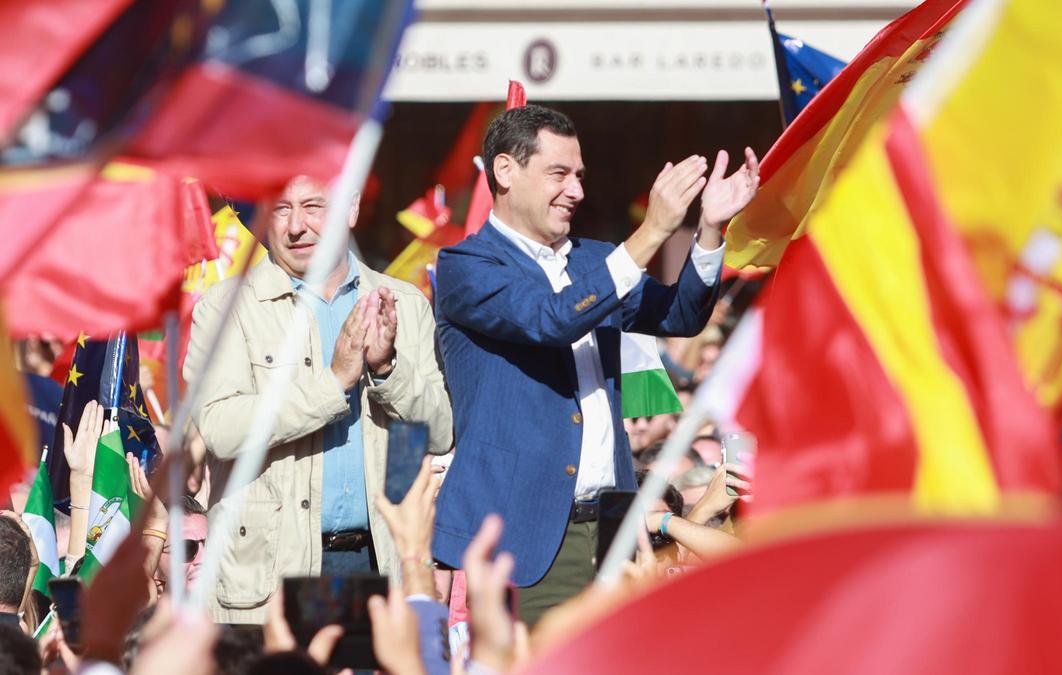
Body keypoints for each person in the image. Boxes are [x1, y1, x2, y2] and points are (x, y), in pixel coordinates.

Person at [432, 104, 759, 625]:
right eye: (558, 174)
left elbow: (680, 315)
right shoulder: (465, 267)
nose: (576, 191)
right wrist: (650, 232)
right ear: (504, 171)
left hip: (614, 529)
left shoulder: (592, 259)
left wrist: (711, 229)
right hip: (527, 541)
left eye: (579, 175)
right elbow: (551, 321)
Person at [184, 175, 453, 623]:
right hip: (269, 574)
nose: (296, 226)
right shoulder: (225, 308)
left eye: (313, 207)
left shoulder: (404, 303)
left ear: (350, 209)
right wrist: (332, 383)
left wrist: (388, 370)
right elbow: (220, 428)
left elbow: (439, 432)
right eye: (282, 209)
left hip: (381, 563)